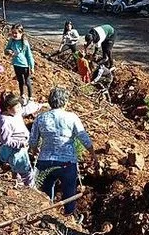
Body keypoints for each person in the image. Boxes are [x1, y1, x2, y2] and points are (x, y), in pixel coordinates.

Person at [29, 88, 99, 219]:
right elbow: (83, 137)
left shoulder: (40, 118)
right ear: (65, 101)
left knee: (44, 192)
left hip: (45, 161)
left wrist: (34, 152)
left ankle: (45, 214)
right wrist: (93, 154)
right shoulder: (72, 117)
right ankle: (68, 216)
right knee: (69, 192)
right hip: (67, 162)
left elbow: (33, 141)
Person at [0, 93, 45, 187]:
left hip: (22, 147)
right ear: (8, 108)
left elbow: (26, 109)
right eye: (17, 107)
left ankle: (17, 184)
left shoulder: (15, 113)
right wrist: (20, 144)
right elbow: (5, 141)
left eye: (19, 106)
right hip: (16, 151)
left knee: (17, 169)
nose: (19, 109)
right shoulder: (4, 121)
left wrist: (40, 106)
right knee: (27, 172)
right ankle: (31, 190)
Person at [5, 24, 35, 104]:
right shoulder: (11, 41)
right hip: (16, 64)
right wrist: (8, 51)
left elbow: (29, 55)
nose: (14, 35)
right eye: (13, 33)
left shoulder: (24, 43)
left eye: (16, 33)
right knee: (20, 81)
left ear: (21, 33)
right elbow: (6, 50)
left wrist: (31, 66)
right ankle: (22, 95)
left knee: (27, 81)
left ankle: (30, 97)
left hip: (24, 65)